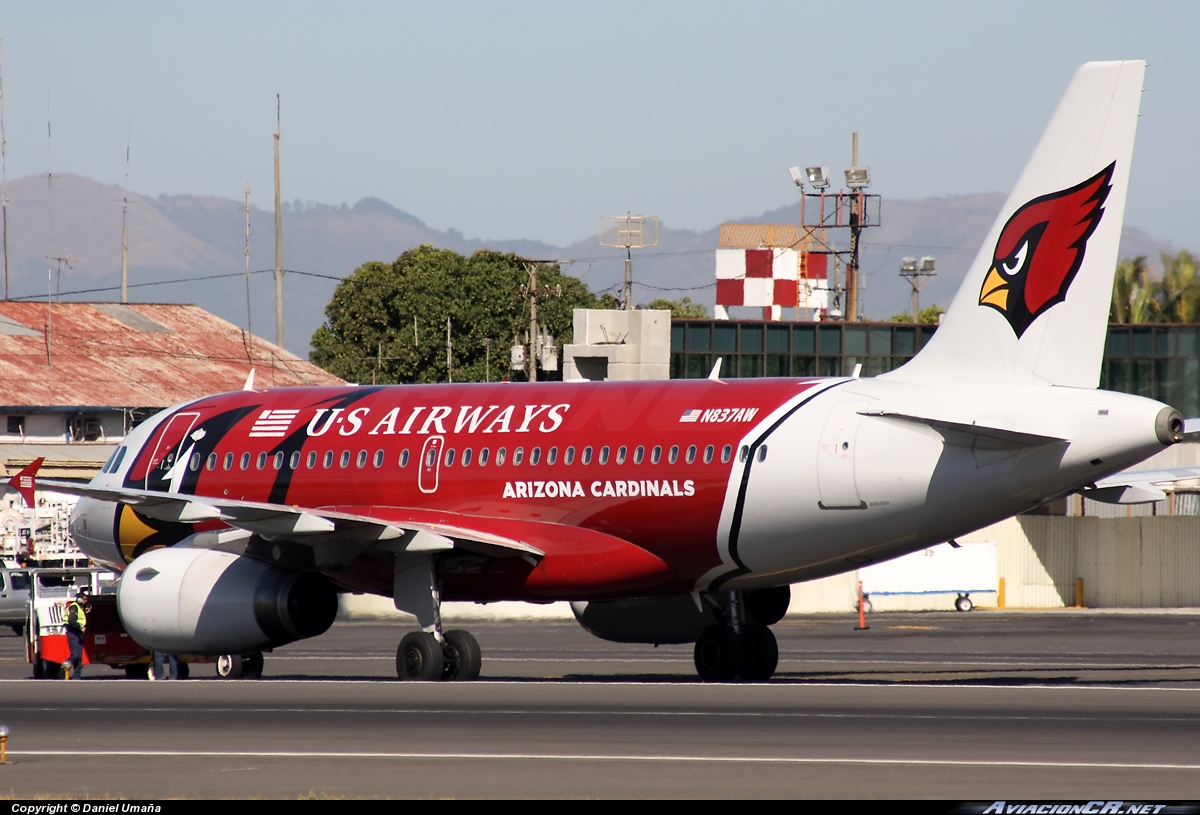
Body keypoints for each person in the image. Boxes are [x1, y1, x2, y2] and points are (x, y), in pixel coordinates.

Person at [63, 586, 90, 680]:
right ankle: (67, 662)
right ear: (79, 599)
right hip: (73, 632)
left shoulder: (80, 608)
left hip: (78, 633)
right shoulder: (74, 607)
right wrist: (80, 627)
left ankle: (77, 677)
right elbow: (72, 620)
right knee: (75, 654)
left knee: (79, 658)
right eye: (84, 599)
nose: (86, 601)